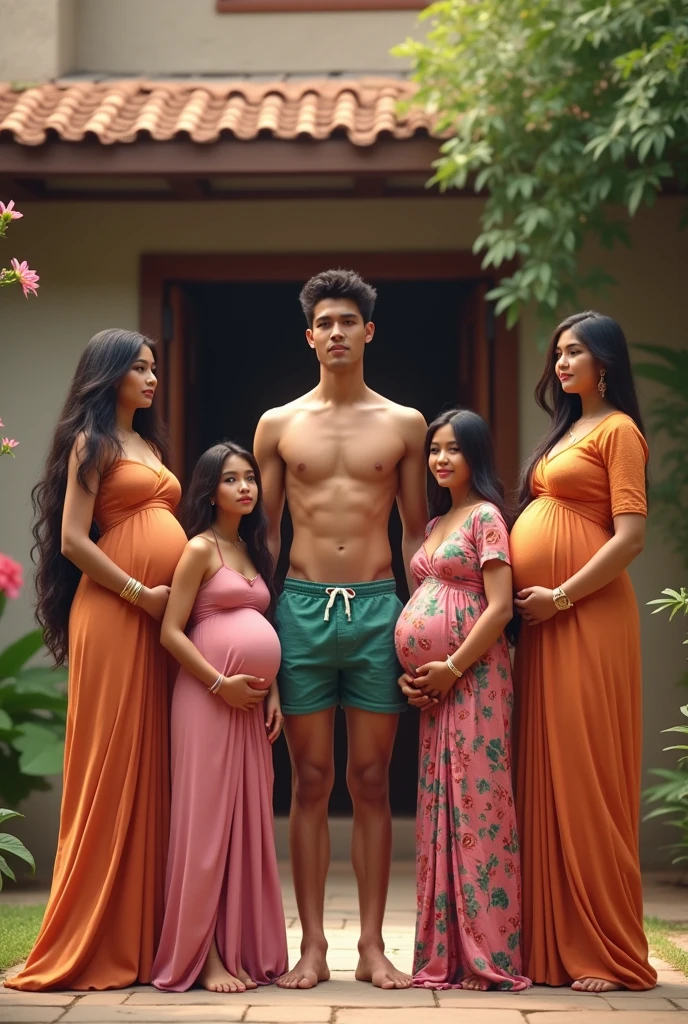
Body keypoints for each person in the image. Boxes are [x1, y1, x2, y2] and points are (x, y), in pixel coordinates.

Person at [254, 269, 428, 990]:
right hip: (298, 606)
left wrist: (426, 625)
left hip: (379, 606)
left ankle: (375, 948)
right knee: (310, 780)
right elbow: (259, 535)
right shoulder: (278, 424)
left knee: (371, 781)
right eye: (323, 322)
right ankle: (315, 946)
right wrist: (258, 633)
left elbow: (418, 532)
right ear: (309, 335)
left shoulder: (405, 424)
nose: (335, 333)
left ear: (368, 332)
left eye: (347, 322)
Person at [6, 330, 186, 991]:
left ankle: (142, 937)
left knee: (152, 762)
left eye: (154, 367)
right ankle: (95, 932)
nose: (151, 377)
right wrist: (140, 592)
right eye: (138, 367)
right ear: (107, 376)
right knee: (112, 760)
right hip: (114, 617)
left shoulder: (149, 446)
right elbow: (75, 541)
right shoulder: (94, 443)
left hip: (156, 622)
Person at [511, 311, 656, 992]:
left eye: (576, 352)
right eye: (558, 352)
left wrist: (561, 597)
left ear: (606, 362)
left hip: (587, 617)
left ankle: (602, 945)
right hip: (543, 623)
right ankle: (548, 941)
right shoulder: (566, 430)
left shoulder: (619, 431)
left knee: (586, 769)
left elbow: (629, 538)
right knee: (544, 764)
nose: (563, 363)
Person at [396, 409, 530, 992]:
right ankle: (444, 954)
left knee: (477, 804)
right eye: (434, 449)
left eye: (453, 448)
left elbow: (499, 607)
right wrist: (417, 675)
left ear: (476, 453)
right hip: (438, 687)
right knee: (438, 806)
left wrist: (450, 665)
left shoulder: (486, 518)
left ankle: (488, 955)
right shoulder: (433, 523)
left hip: (474, 678)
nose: (441, 458)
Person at [151, 441, 287, 994]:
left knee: (245, 823)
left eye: (250, 478)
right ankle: (202, 957)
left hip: (249, 705)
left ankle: (240, 948)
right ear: (211, 490)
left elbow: (260, 634)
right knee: (204, 826)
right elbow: (170, 631)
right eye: (232, 480)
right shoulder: (200, 550)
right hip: (207, 701)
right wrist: (219, 683)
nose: (246, 487)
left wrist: (271, 688)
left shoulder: (251, 551)